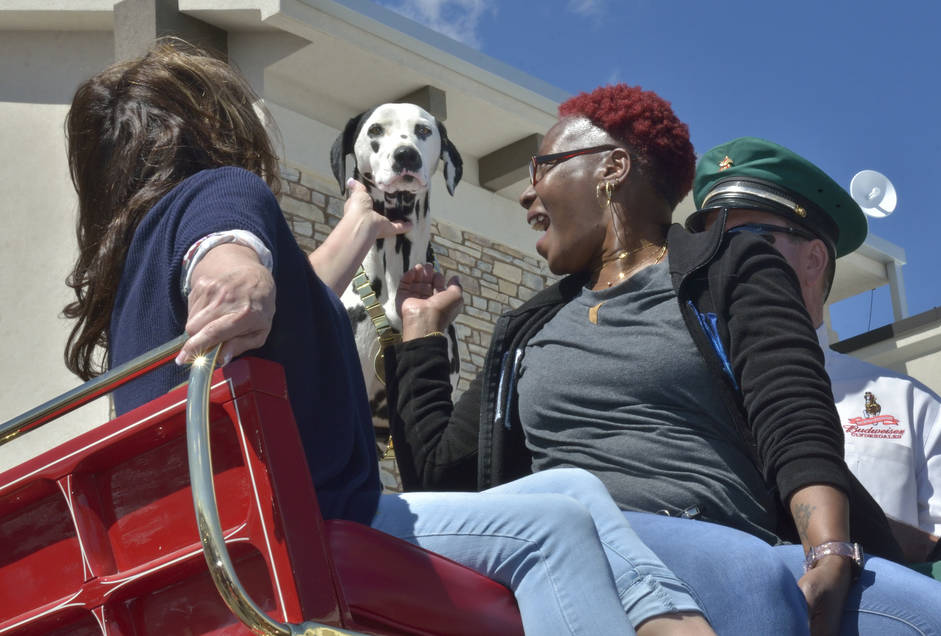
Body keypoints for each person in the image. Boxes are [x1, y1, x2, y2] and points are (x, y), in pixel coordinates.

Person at [59, 40, 714, 636]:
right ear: (216, 129)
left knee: (573, 487)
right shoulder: (221, 191)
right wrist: (234, 275)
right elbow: (227, 241)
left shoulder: (133, 283)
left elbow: (295, 295)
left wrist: (358, 227)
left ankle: (670, 621)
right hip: (316, 519)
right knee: (556, 530)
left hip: (213, 543)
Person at [388, 83, 941, 635]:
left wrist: (829, 550)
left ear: (612, 167)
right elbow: (440, 480)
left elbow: (791, 413)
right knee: (601, 512)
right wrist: (419, 339)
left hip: (731, 539)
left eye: (542, 167)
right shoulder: (527, 328)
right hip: (583, 552)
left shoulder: (729, 269)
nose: (527, 193)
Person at [689, 136, 941, 636]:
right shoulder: (685, 391)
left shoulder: (908, 405)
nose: (717, 261)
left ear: (814, 260)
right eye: (710, 242)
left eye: (747, 239)